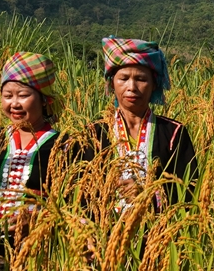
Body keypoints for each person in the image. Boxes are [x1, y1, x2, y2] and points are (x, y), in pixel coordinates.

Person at [0, 51, 84, 234]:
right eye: (7, 96)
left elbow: (76, 203)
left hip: (37, 242)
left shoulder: (65, 145)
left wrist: (41, 219)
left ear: (44, 100)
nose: (14, 104)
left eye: (22, 95)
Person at [83, 38, 196, 210]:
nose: (132, 87)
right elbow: (80, 191)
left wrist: (147, 196)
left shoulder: (173, 133)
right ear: (112, 83)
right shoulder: (93, 133)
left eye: (141, 79)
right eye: (123, 78)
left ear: (154, 85)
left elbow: (189, 190)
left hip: (159, 232)